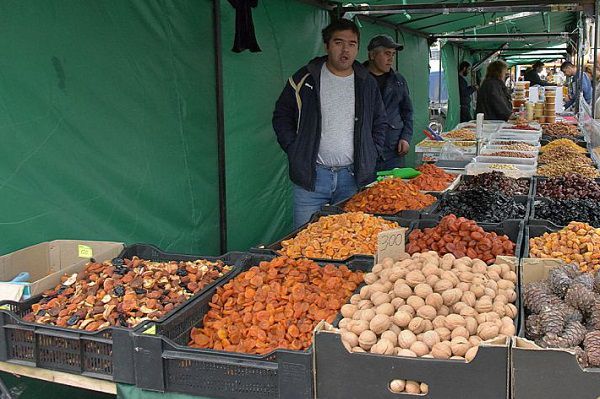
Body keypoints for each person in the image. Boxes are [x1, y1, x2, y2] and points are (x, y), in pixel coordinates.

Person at [272, 19, 388, 228]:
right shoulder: (305, 78)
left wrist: (372, 151)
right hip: (312, 179)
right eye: (338, 43)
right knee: (303, 243)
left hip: (352, 178)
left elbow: (380, 121)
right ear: (326, 45)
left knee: (349, 241)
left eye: (352, 44)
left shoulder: (366, 82)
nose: (345, 50)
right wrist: (294, 148)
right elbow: (282, 115)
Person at [364, 34, 413, 171]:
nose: (391, 59)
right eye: (387, 54)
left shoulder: (398, 80)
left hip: (393, 151)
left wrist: (405, 137)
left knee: (394, 190)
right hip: (366, 152)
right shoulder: (358, 79)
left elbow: (407, 111)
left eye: (393, 54)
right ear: (372, 55)